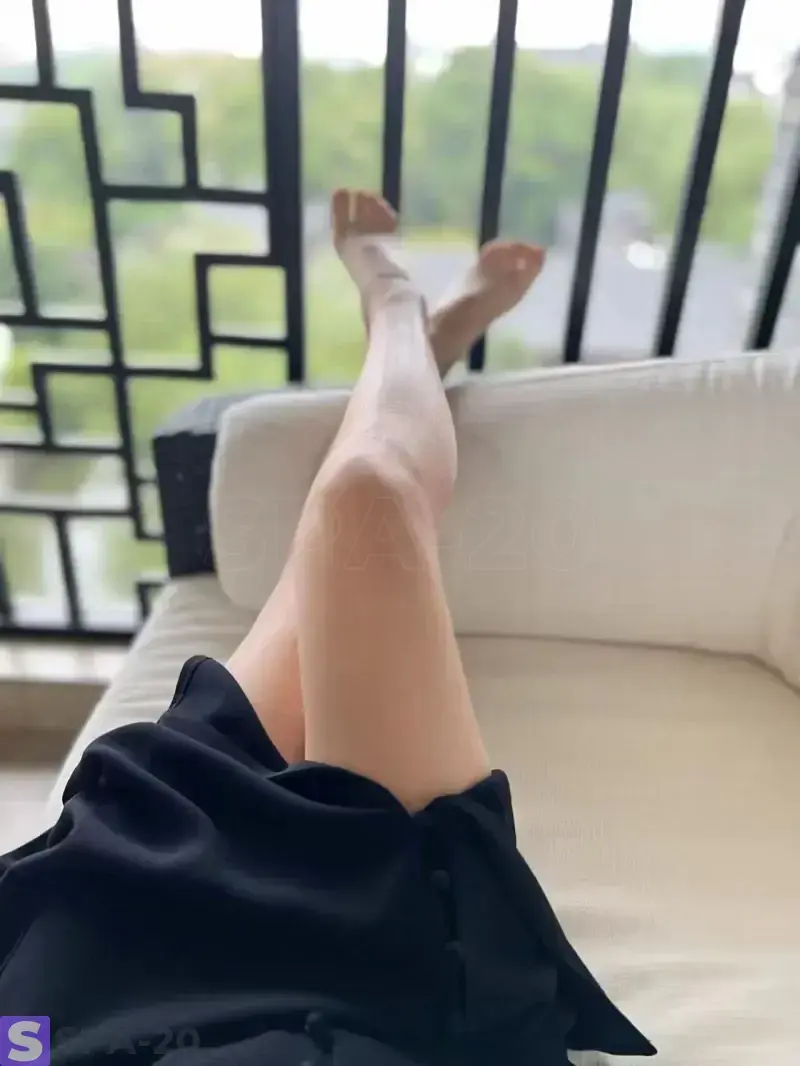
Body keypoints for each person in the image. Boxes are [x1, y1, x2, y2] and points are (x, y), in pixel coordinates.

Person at [0, 191, 655, 1066]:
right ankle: (409, 328)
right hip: (382, 983)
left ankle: (405, 323)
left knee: (350, 516)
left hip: (95, 937)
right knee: (365, 499)